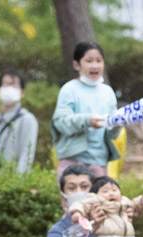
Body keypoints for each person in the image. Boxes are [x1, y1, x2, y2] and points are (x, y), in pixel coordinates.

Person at [51, 41, 118, 182]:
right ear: (76, 65)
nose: (95, 65)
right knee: (75, 203)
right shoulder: (69, 90)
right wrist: (87, 120)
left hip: (99, 161)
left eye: (99, 60)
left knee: (99, 204)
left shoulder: (108, 92)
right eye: (89, 61)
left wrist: (119, 122)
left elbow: (113, 132)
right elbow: (61, 122)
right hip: (73, 161)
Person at [0, 70, 38, 173]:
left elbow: (27, 155)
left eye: (14, 85)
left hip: (14, 181)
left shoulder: (27, 119)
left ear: (22, 92)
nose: (9, 89)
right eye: (6, 84)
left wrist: (18, 183)